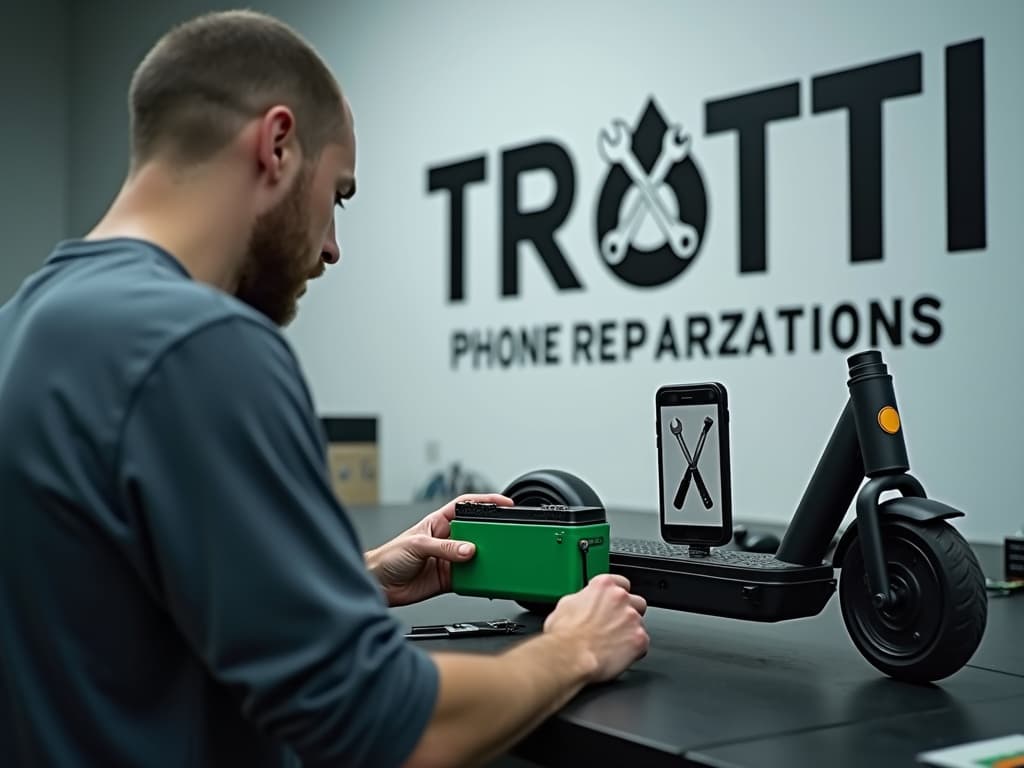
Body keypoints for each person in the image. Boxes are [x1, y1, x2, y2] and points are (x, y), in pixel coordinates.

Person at [0, 10, 649, 768]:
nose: (333, 248)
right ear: (277, 146)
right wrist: (572, 648)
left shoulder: (26, 327)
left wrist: (350, 581)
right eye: (338, 196)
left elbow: (110, 615)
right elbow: (386, 728)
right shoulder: (197, 342)